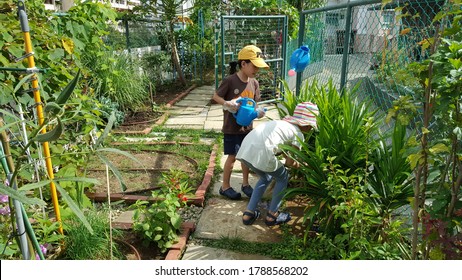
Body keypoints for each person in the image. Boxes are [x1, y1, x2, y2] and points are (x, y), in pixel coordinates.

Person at [236, 102, 319, 226]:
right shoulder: (299, 134)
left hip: (245, 150)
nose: (311, 129)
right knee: (283, 177)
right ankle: (272, 215)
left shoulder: (283, 124)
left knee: (266, 177)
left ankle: (249, 213)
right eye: (311, 126)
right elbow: (290, 163)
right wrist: (304, 167)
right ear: (307, 125)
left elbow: (286, 155)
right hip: (262, 153)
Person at [212, 45, 269, 200]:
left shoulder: (254, 83)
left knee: (246, 157)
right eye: (254, 65)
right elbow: (216, 97)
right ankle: (225, 186)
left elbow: (255, 104)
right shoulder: (230, 81)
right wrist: (227, 104)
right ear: (243, 64)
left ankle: (245, 184)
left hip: (247, 128)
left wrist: (258, 113)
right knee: (232, 158)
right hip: (232, 128)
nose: (256, 69)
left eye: (258, 66)